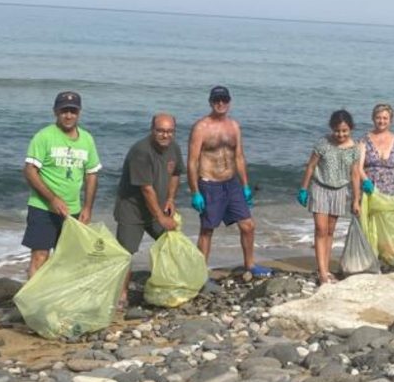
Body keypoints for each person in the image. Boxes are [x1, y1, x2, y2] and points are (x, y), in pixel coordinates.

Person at [21, 90, 100, 277]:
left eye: (73, 111)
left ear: (79, 113)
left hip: (73, 211)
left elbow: (92, 174)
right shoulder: (44, 136)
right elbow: (30, 171)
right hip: (43, 208)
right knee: (40, 255)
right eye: (64, 110)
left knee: (69, 258)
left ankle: (60, 300)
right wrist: (52, 199)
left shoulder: (87, 139)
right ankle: (35, 302)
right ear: (55, 111)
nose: (69, 115)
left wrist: (87, 208)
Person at [189, 87, 261, 277]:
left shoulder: (234, 126)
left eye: (224, 99)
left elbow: (239, 157)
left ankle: (250, 265)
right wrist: (194, 191)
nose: (220, 103)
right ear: (210, 102)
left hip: (232, 184)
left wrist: (245, 186)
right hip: (209, 184)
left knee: (248, 225)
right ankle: (199, 272)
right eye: (216, 100)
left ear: (229, 101)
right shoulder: (201, 128)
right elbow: (192, 161)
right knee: (207, 230)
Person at [299, 109, 366, 286]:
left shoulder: (354, 148)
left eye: (344, 130)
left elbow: (355, 175)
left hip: (340, 191)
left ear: (350, 129)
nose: (340, 134)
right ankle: (322, 273)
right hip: (320, 188)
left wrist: (356, 199)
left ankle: (326, 269)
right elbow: (311, 167)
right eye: (337, 130)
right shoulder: (323, 144)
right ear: (332, 128)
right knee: (320, 229)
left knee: (330, 231)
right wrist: (303, 189)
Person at [113, 112, 187, 256]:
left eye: (170, 131)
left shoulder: (174, 147)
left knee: (172, 248)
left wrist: (170, 199)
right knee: (125, 256)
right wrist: (161, 218)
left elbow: (176, 173)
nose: (165, 136)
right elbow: (146, 189)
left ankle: (164, 277)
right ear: (152, 129)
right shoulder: (141, 151)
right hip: (133, 212)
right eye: (160, 131)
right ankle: (122, 279)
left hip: (157, 208)